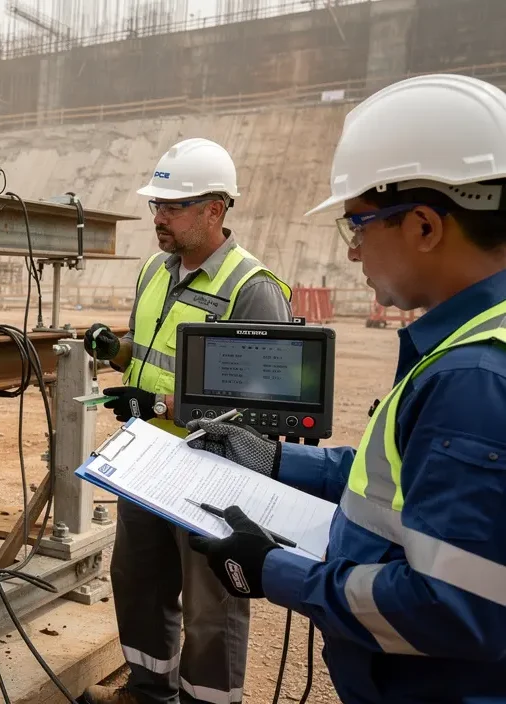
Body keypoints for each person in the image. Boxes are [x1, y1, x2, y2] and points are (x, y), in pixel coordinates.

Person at [184, 73, 506, 703]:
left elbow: (457, 606)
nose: (355, 253)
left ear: (423, 226)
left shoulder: (473, 378)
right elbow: (397, 484)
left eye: (357, 225)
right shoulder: (469, 345)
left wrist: (274, 570)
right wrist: (273, 457)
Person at [82, 138, 292, 704]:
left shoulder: (254, 291)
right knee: (138, 581)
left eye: (172, 207)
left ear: (215, 210)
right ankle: (150, 691)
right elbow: (154, 354)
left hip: (211, 478)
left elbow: (264, 413)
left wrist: (166, 407)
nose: (159, 217)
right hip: (147, 462)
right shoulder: (155, 270)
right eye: (156, 205)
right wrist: (118, 353)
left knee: (211, 604)